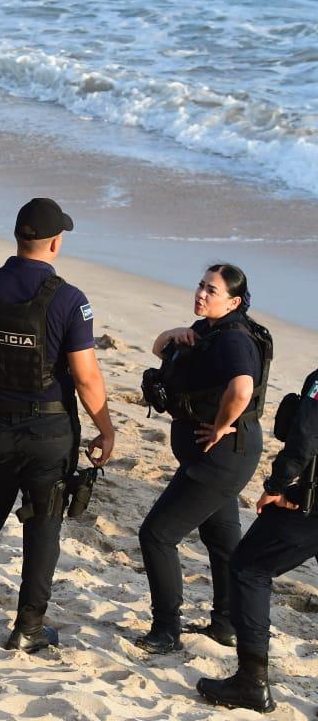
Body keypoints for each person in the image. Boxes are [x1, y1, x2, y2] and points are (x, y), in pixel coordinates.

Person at [0, 197, 114, 652]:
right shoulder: (69, 299)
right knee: (44, 523)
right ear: (55, 243)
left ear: (18, 237)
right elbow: (87, 378)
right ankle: (28, 626)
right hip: (49, 433)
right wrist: (106, 430)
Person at [134, 263, 270, 655]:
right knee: (221, 538)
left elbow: (242, 389)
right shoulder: (211, 328)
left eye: (211, 290)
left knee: (157, 535)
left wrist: (220, 425)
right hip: (222, 456)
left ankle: (166, 629)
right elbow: (162, 348)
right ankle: (226, 625)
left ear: (234, 300)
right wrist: (173, 333)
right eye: (200, 285)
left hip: (220, 458)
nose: (201, 294)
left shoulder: (233, 339)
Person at [196, 367, 318, 714]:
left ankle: (251, 682)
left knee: (248, 568)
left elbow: (305, 436)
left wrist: (276, 487)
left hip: (309, 504)